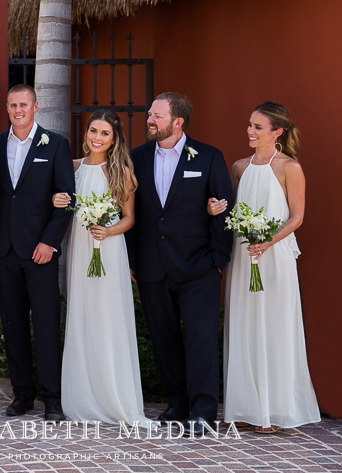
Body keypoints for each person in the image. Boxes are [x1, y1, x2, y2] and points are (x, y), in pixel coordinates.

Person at [126, 92, 233, 437]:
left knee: (201, 338)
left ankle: (203, 411)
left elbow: (222, 209)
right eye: (150, 114)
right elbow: (132, 214)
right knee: (164, 337)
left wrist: (219, 259)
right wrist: (132, 261)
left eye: (157, 116)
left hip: (199, 266)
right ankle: (176, 403)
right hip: (152, 267)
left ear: (178, 122)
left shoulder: (208, 157)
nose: (150, 120)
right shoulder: (137, 158)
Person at [208, 103, 320, 433]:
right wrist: (216, 207)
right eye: (249, 125)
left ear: (277, 132)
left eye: (258, 127)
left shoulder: (289, 167)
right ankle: (245, 406)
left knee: (274, 326)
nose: (250, 132)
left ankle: (272, 409)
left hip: (275, 257)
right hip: (244, 255)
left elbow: (297, 216)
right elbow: (230, 206)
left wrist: (268, 240)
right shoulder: (239, 166)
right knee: (243, 323)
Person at [52, 110, 150, 425]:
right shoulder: (73, 168)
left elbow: (129, 218)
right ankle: (82, 397)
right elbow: (60, 202)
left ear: (114, 138)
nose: (97, 137)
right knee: (82, 314)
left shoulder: (120, 170)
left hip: (108, 250)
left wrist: (107, 231)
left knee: (109, 317)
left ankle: (114, 396)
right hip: (81, 250)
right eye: (93, 130)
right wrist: (57, 200)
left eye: (104, 133)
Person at [0, 84, 74, 422]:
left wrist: (50, 243)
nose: (18, 110)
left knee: (46, 324)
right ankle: (22, 394)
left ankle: (53, 398)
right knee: (13, 325)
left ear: (35, 106)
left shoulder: (55, 145)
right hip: (5, 249)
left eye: (23, 105)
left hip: (40, 251)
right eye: (12, 106)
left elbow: (66, 198)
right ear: (7, 109)